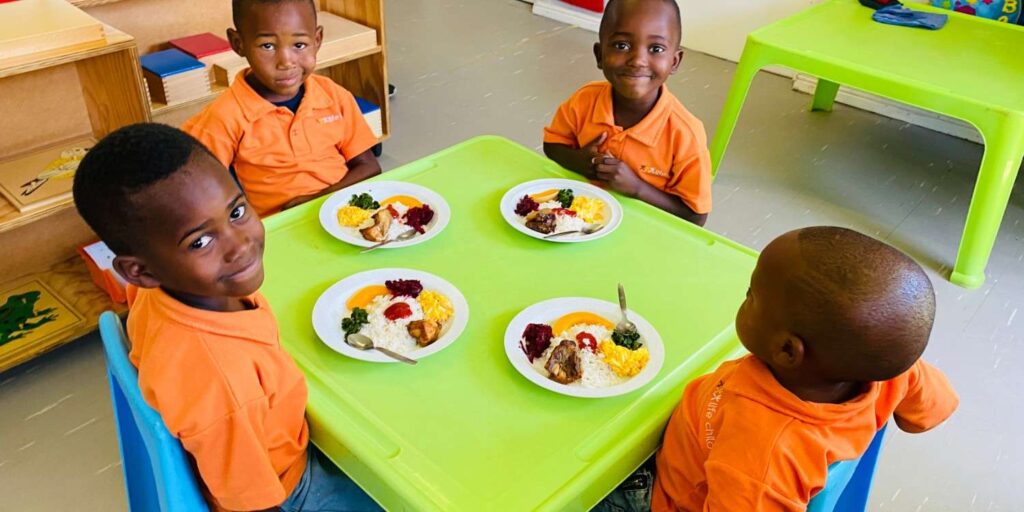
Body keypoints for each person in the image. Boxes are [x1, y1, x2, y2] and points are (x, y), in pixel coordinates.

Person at [72, 123, 381, 512]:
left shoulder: (161, 292)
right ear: (141, 270)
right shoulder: (223, 383)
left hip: (270, 433)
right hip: (290, 488)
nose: (240, 245)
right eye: (200, 241)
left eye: (236, 211)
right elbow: (252, 503)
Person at [651, 226, 959, 511]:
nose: (745, 297)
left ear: (787, 350)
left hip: (672, 497)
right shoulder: (891, 371)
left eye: (751, 295)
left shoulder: (761, 457)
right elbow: (932, 410)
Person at [183, 0, 381, 216]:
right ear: (238, 44)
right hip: (280, 227)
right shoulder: (224, 116)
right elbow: (197, 193)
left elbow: (369, 167)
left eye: (299, 45)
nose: (286, 62)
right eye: (267, 46)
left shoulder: (334, 96)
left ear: (317, 40)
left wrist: (317, 201)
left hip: (346, 214)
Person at [543, 0, 711, 225]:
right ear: (599, 55)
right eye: (621, 45)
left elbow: (696, 217)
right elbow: (552, 145)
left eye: (656, 49)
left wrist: (638, 188)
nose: (638, 61)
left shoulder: (686, 134)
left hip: (643, 231)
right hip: (574, 220)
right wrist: (580, 162)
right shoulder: (584, 100)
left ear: (674, 61)